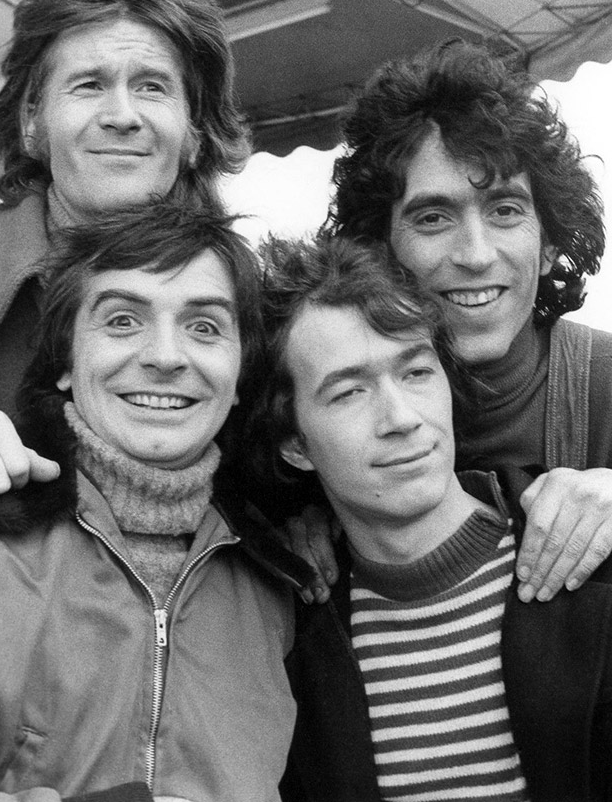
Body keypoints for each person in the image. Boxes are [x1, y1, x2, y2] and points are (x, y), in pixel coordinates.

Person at [258, 234, 612, 802]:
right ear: (295, 444)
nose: (401, 417)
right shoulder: (286, 641)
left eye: (417, 373)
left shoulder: (592, 553)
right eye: (349, 393)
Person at [0, 197, 311, 802]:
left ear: (241, 375)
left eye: (204, 327)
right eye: (122, 321)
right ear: (64, 361)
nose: (165, 356)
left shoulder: (283, 586)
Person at [295, 39, 612, 604]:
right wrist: (293, 516)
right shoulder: (327, 414)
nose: (475, 254)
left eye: (505, 210)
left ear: (548, 243)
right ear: (378, 249)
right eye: (433, 218)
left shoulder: (605, 382)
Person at [0, 0, 249, 496]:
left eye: (152, 86)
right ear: (32, 121)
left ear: (195, 132)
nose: (122, 115)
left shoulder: (251, 304)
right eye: (89, 85)